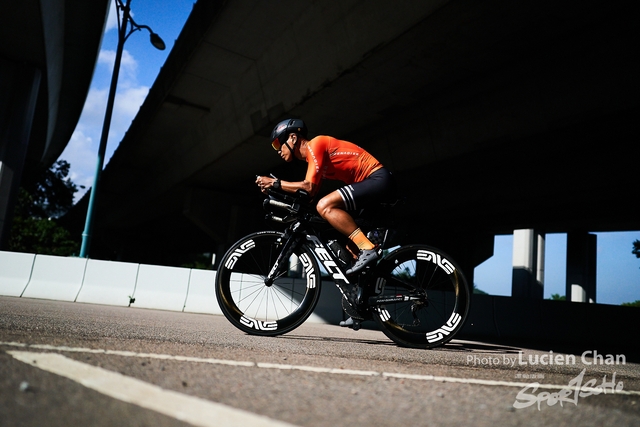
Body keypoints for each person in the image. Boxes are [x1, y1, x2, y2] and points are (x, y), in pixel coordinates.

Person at [256, 118, 396, 275]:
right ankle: (363, 292)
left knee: (325, 205)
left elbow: (308, 187)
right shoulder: (313, 160)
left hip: (376, 178)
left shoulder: (316, 144)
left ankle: (367, 248)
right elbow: (308, 196)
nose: (278, 150)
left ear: (293, 138)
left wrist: (275, 183)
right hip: (370, 186)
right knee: (350, 248)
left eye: (277, 143)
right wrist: (275, 192)